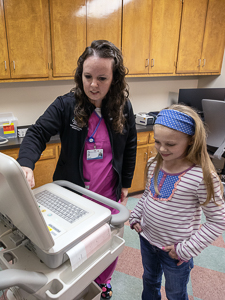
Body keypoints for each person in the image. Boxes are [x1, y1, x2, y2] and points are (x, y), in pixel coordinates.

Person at [17, 40, 137, 299]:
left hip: (107, 193)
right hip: (72, 193)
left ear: (114, 79)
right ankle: (78, 285)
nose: (93, 85)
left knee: (107, 243)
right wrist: (26, 164)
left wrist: (126, 184)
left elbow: (130, 146)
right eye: (88, 76)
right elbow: (37, 133)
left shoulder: (123, 108)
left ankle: (103, 282)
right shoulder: (65, 105)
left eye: (102, 78)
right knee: (76, 250)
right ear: (80, 74)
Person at [129, 104, 225, 300]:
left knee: (175, 293)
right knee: (149, 280)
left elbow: (218, 222)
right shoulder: (153, 165)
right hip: (147, 241)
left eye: (171, 144)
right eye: (157, 142)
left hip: (176, 253)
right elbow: (148, 196)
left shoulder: (201, 176)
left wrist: (185, 250)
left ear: (191, 140)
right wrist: (135, 215)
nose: (162, 149)